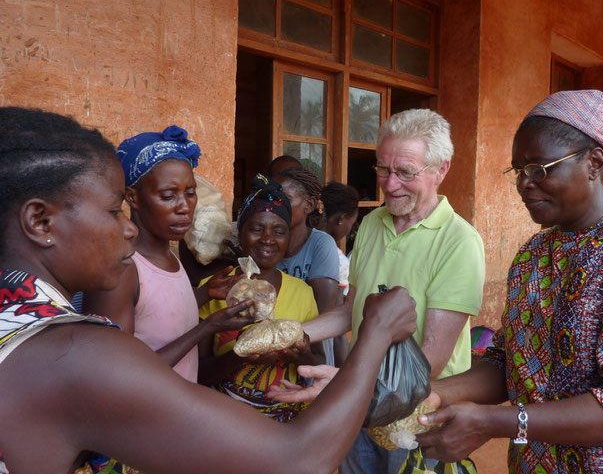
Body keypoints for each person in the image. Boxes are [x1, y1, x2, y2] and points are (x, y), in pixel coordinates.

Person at [0, 106, 418, 473]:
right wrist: (377, 331)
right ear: (40, 222)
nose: (127, 228)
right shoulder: (72, 353)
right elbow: (297, 459)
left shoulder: (21, 323)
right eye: (113, 211)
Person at [415, 90, 603, 473]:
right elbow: (509, 363)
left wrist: (496, 423)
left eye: (540, 169)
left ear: (593, 163)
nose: (525, 183)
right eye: (519, 170)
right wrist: (431, 395)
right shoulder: (533, 254)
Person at [272, 109, 486, 473]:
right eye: (383, 169)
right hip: (362, 404)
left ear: (441, 170)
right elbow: (351, 310)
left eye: (405, 172)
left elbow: (431, 357)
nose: (389, 184)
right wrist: (292, 333)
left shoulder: (459, 242)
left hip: (418, 414)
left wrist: (344, 381)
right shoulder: (372, 224)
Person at [82, 126, 245, 383]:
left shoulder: (170, 256)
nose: (184, 207)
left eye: (190, 193)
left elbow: (153, 313)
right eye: (168, 196)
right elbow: (117, 374)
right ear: (132, 197)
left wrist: (204, 294)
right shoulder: (121, 269)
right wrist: (207, 328)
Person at [198, 174, 323, 422]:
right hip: (224, 422)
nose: (267, 239)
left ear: (288, 238)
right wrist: (239, 355)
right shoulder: (213, 290)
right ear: (240, 234)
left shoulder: (302, 293)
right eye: (256, 229)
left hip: (285, 423)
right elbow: (199, 373)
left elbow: (318, 360)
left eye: (279, 231)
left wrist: (300, 356)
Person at [273, 166, 340, 366]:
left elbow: (322, 311)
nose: (275, 206)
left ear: (309, 205)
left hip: (310, 353)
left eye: (283, 199)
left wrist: (275, 338)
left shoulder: (321, 245)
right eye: (270, 199)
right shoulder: (265, 244)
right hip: (270, 353)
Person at [319, 181, 360, 365]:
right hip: (319, 349)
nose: (348, 230)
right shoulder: (338, 261)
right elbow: (338, 332)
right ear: (342, 218)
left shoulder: (297, 242)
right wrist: (343, 374)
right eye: (350, 224)